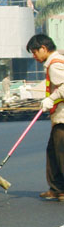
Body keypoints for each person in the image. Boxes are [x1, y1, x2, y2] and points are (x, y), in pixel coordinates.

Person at [28, 34, 64, 201]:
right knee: (53, 151)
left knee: (61, 153)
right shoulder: (55, 63)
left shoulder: (55, 65)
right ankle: (56, 188)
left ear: (44, 48)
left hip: (63, 118)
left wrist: (51, 99)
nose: (34, 57)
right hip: (58, 116)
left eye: (35, 52)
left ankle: (61, 189)